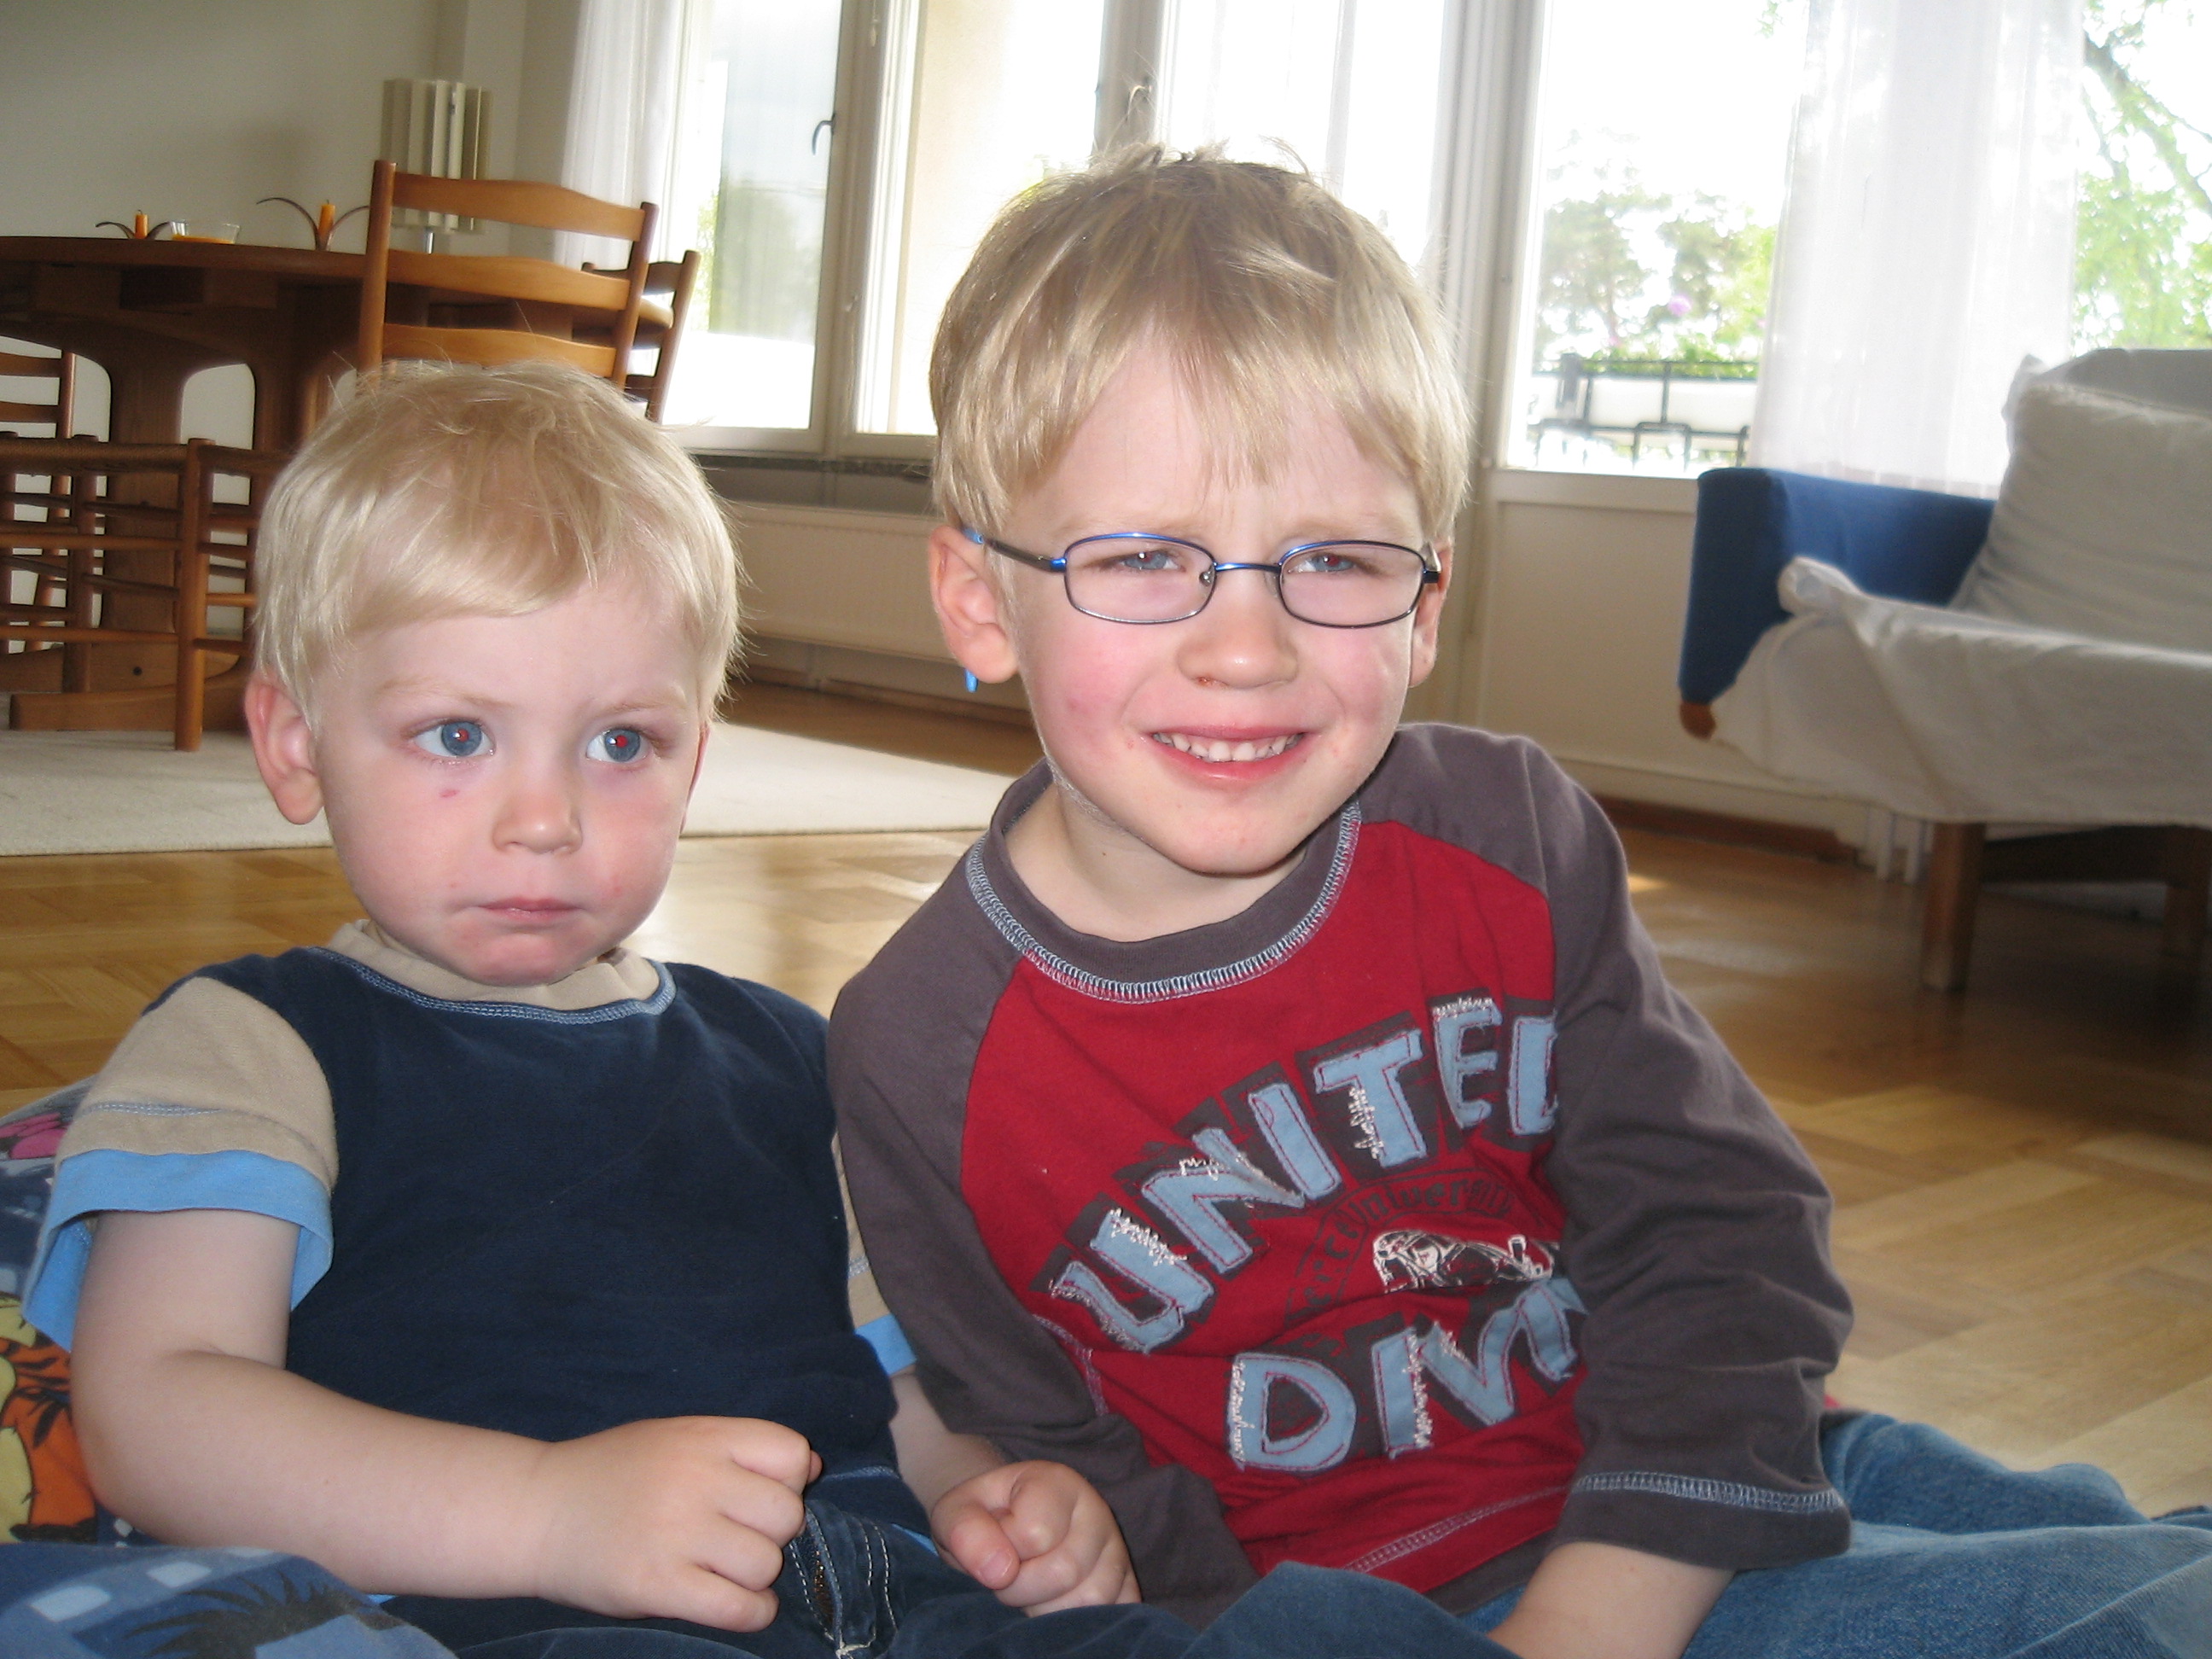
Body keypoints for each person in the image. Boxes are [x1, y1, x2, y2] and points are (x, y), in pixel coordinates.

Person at [828, 146, 2212, 1659]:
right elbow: (1041, 1430)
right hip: (1387, 1613)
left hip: (1711, 1479)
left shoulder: (1511, 838)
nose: (1247, 649)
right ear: (980, 601)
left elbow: (1726, 1232)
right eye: (1147, 557)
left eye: (1334, 560)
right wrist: (1058, 1524)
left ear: (1427, 605)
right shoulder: (915, 1047)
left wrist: (1604, 1604)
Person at [15, 363, 1145, 1659]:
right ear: (291, 742)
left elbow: (888, 1374)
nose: (545, 819)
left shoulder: (789, 1054)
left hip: (898, 1600)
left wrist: (982, 1495)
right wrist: (545, 1513)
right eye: (457, 735)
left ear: (694, 759)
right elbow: (159, 1417)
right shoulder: (256, 1040)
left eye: (620, 744)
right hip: (516, 1618)